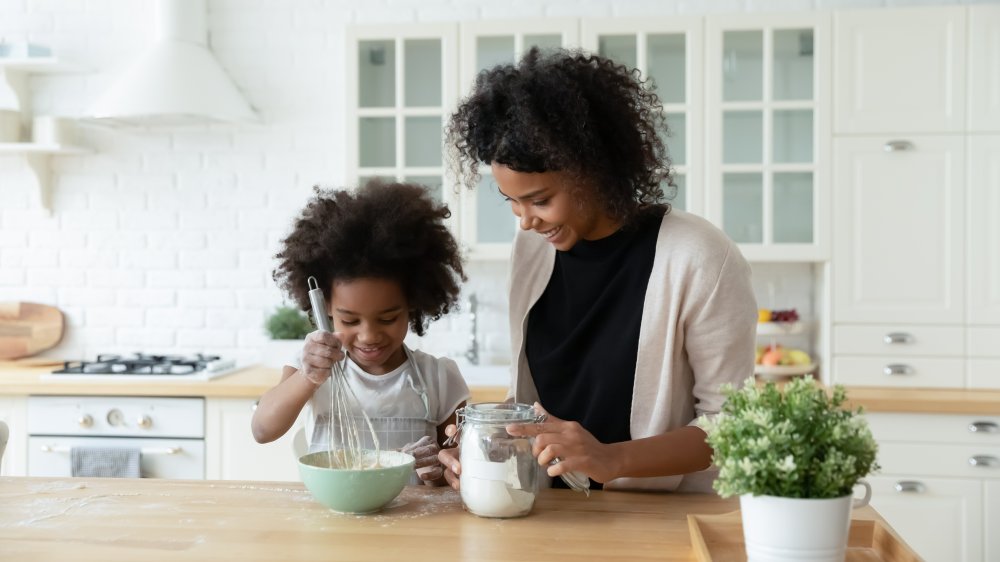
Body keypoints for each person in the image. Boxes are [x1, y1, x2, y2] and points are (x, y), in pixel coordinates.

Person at [440, 47, 756, 493]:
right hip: (548, 512)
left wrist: (612, 458)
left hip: (658, 523)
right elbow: (538, 404)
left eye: (540, 200)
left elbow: (734, 427)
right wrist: (483, 443)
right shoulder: (532, 249)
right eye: (511, 200)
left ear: (595, 170)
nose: (525, 220)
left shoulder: (699, 256)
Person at [251, 180, 470, 486]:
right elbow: (262, 430)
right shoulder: (312, 368)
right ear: (326, 306)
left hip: (413, 526)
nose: (368, 335)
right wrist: (308, 377)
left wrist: (441, 470)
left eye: (388, 318)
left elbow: (458, 465)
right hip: (333, 524)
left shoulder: (438, 377)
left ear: (413, 303)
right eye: (350, 321)